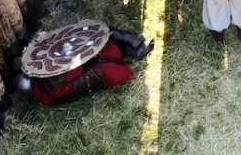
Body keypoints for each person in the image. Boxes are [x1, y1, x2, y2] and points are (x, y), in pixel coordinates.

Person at [22, 25, 153, 106]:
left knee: (98, 36)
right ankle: (135, 48)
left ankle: (134, 44)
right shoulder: (51, 89)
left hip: (83, 66)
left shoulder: (44, 89)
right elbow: (75, 70)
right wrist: (80, 52)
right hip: (95, 72)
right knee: (107, 48)